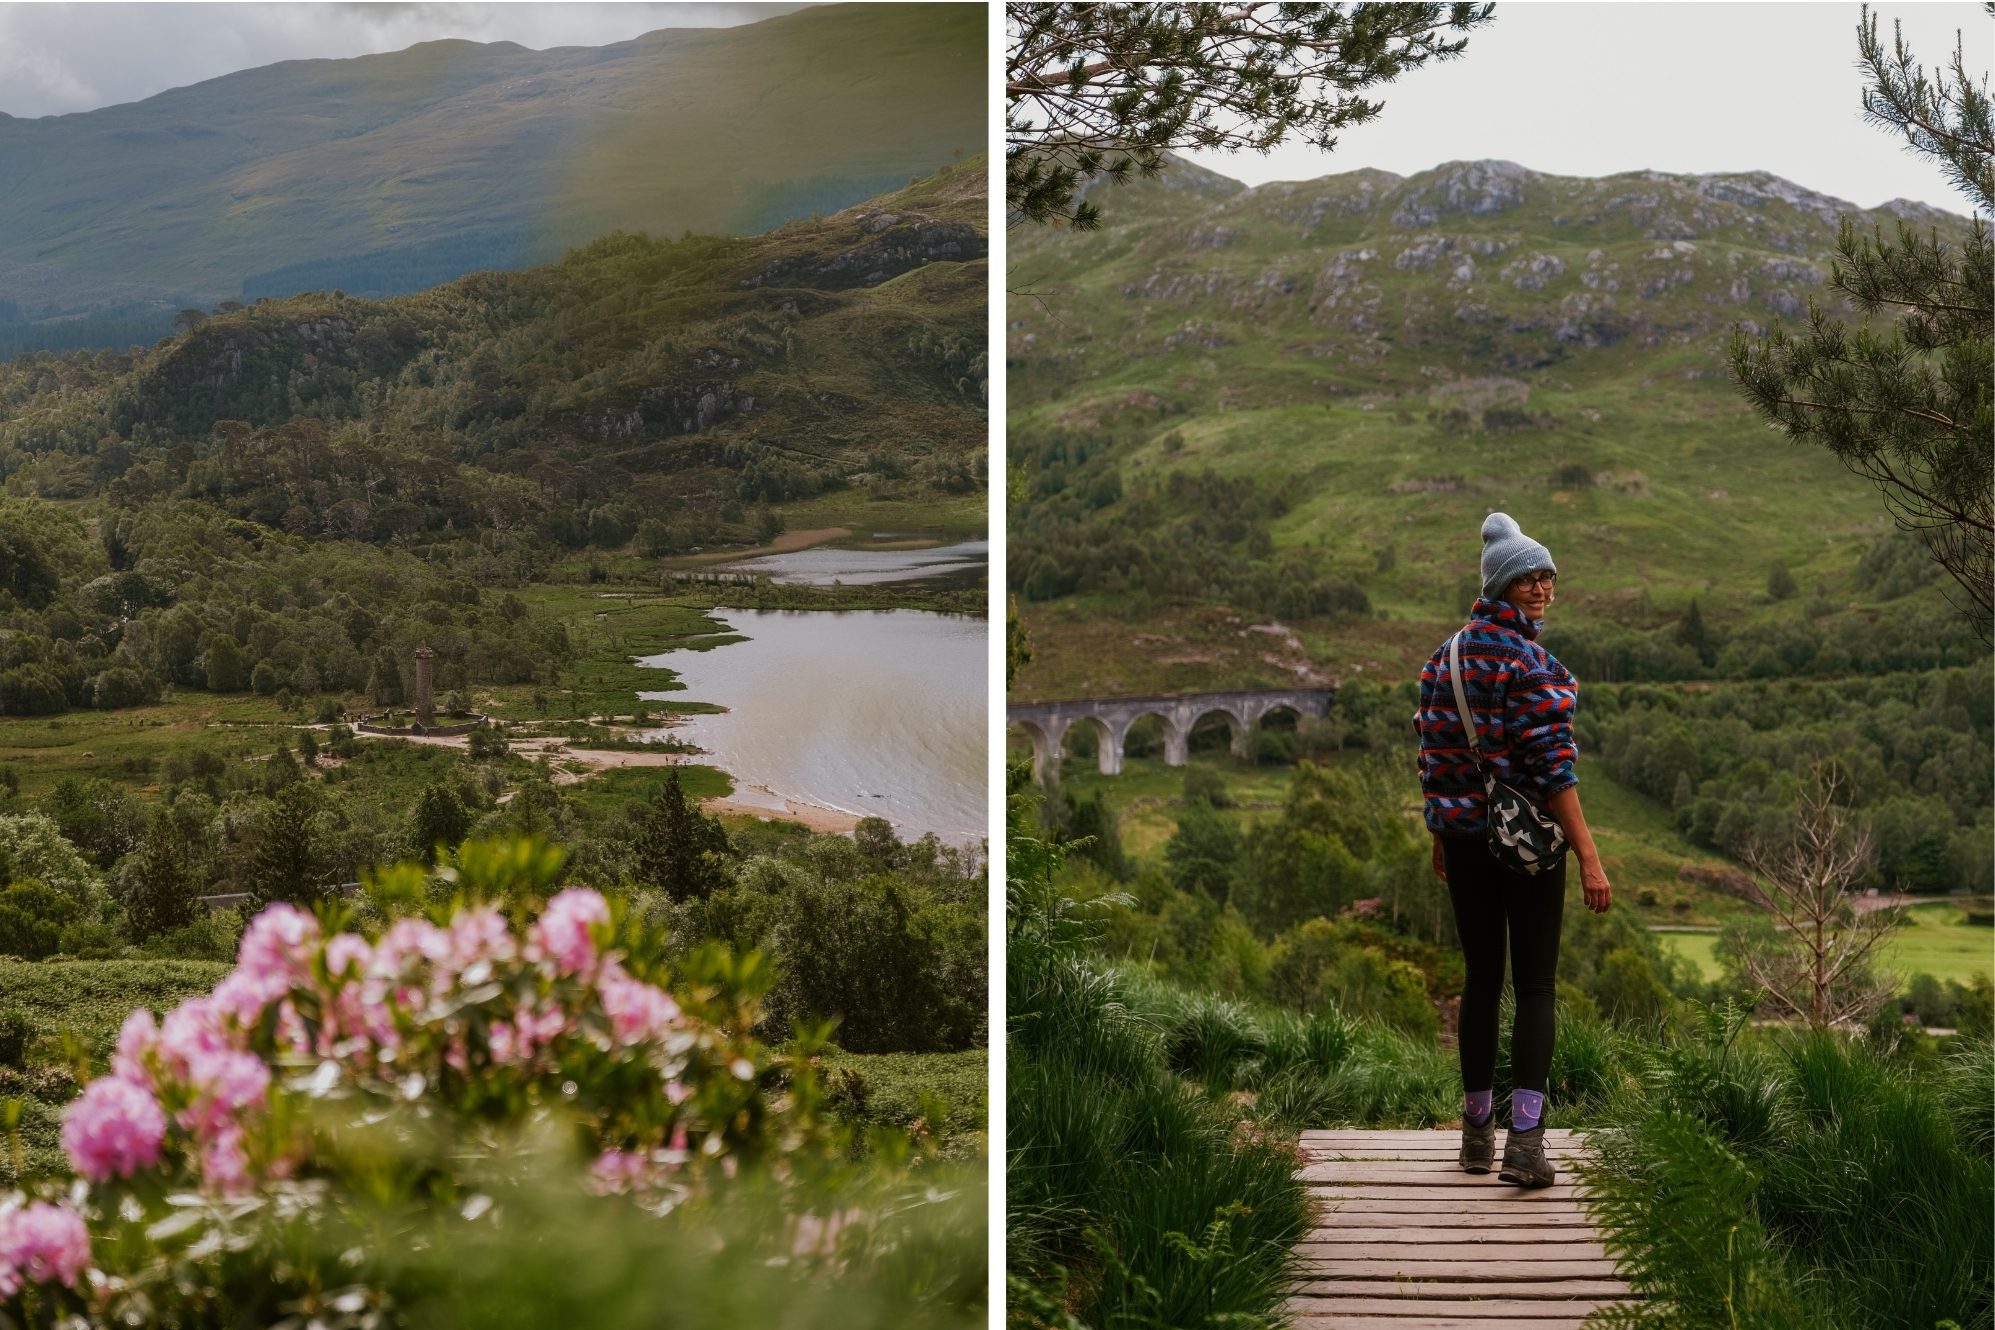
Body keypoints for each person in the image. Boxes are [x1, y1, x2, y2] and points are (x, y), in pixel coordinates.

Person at [1413, 512, 1612, 1188]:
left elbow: (1434, 756)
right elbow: (1553, 769)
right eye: (1527, 577)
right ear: (1499, 585)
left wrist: (1441, 831)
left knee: (1479, 981)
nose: (1541, 588)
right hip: (1526, 844)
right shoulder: (1525, 661)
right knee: (1533, 987)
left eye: (1547, 576)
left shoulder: (1443, 658)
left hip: (1465, 841)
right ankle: (1523, 1145)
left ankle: (1474, 1138)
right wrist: (1587, 855)